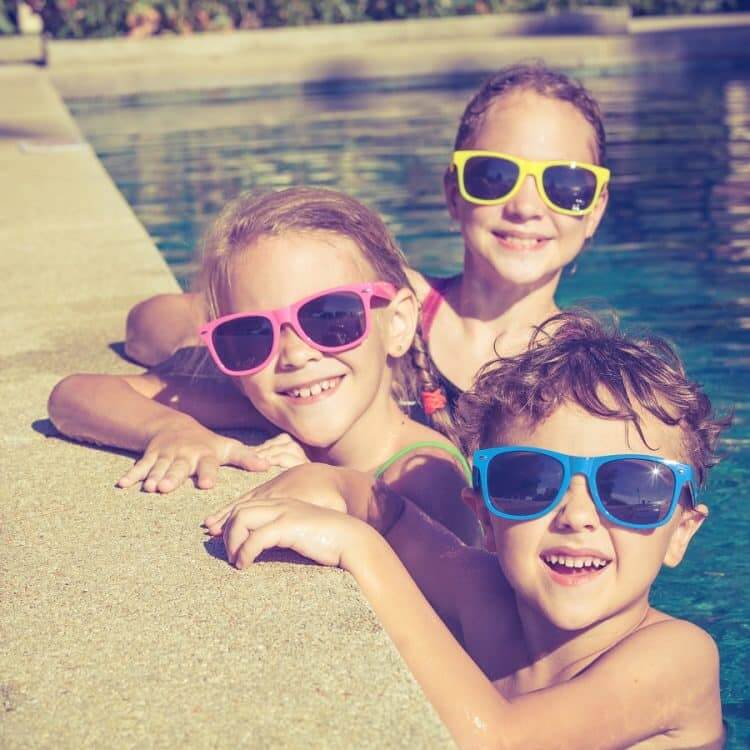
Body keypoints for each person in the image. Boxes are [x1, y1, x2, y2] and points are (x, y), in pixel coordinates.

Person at [205, 310, 729, 750]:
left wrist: (360, 550)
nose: (577, 515)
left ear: (681, 532)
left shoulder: (678, 658)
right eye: (528, 480)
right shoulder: (485, 597)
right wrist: (332, 484)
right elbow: (394, 517)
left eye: (630, 488)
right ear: (484, 515)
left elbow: (493, 739)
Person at [122, 62, 610, 416]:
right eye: (493, 176)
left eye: (567, 186)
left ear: (595, 210)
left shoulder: (593, 378)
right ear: (452, 193)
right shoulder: (383, 310)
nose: (526, 208)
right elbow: (150, 325)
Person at [48, 187, 477, 542]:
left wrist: (332, 484)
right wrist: (172, 429)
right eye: (250, 336)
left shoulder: (426, 478)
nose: (294, 354)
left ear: (397, 324)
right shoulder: (259, 402)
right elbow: (72, 396)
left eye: (330, 317)